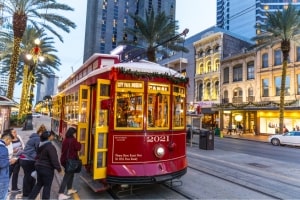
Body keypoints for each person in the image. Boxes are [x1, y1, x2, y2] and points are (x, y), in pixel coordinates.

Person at [28, 131, 62, 199]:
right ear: (49, 137)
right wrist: (59, 169)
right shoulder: (50, 147)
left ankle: (30, 198)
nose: (53, 136)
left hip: (39, 167)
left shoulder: (40, 144)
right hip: (47, 169)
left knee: (39, 184)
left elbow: (37, 156)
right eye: (52, 136)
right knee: (47, 186)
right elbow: (54, 159)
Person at [19, 124, 47, 198]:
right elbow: (39, 150)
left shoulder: (34, 137)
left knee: (30, 176)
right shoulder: (37, 139)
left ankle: (29, 192)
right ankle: (27, 193)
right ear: (41, 133)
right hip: (28, 159)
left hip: (25, 159)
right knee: (29, 176)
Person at [58, 127, 81, 200]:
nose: (75, 134)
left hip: (64, 160)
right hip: (70, 161)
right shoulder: (73, 140)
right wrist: (79, 143)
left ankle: (69, 189)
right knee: (67, 177)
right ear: (73, 133)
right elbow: (78, 148)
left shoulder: (65, 140)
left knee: (71, 174)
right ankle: (61, 194)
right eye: (75, 133)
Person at [9, 128, 25, 192]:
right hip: (11, 160)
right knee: (8, 174)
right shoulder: (8, 140)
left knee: (16, 174)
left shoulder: (18, 137)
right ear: (10, 133)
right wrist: (13, 151)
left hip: (18, 158)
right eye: (13, 132)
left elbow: (23, 145)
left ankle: (14, 187)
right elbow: (6, 150)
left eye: (15, 132)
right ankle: (5, 188)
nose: (15, 133)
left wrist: (22, 150)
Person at [0, 131, 14, 200]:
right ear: (7, 139)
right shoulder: (3, 148)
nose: (9, 144)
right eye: (10, 142)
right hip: (2, 178)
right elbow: (2, 164)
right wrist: (10, 162)